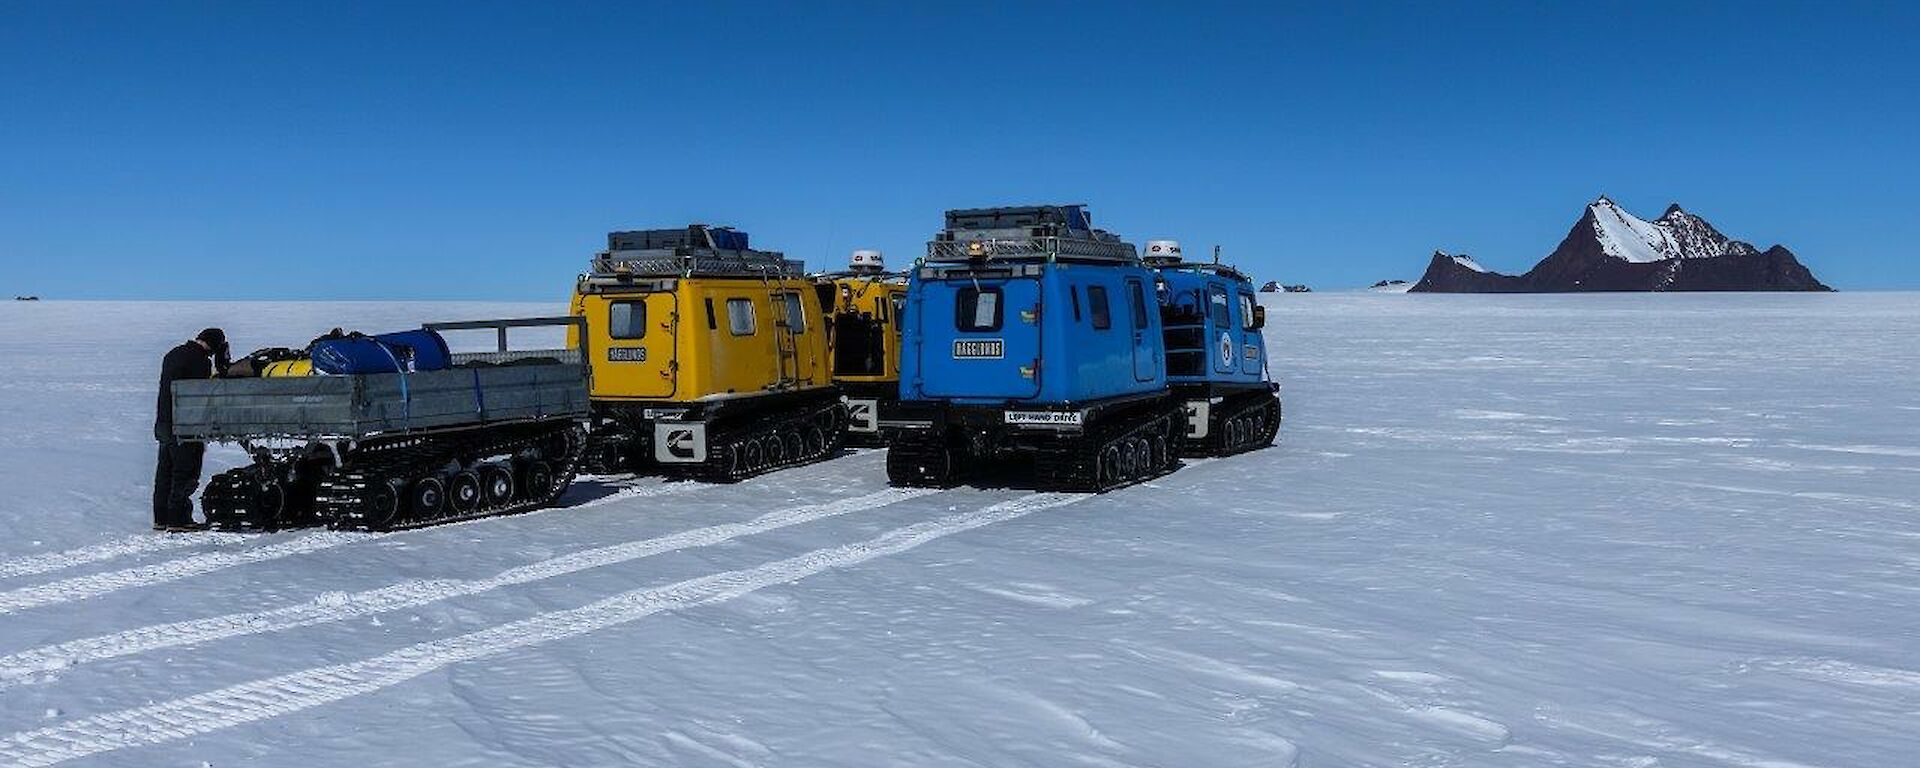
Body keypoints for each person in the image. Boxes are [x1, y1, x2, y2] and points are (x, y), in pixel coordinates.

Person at [153, 328, 228, 532]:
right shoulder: (200, 361)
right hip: (186, 426)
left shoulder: (174, 353)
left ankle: (161, 518)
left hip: (164, 422)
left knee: (164, 474)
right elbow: (205, 391)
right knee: (184, 474)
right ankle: (179, 519)